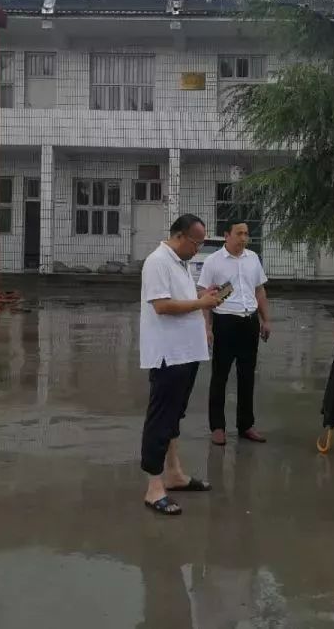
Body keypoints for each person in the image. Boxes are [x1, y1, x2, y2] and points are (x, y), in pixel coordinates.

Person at [140, 214, 223, 516]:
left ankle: (174, 474)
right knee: (160, 419)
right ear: (180, 236)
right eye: (196, 243)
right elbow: (162, 306)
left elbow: (181, 300)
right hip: (168, 354)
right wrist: (202, 304)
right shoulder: (158, 262)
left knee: (175, 417)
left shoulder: (179, 263)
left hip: (186, 352)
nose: (197, 249)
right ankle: (154, 486)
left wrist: (201, 297)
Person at [198, 220, 271, 446]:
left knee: (247, 376)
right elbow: (204, 293)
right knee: (220, 375)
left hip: (248, 321)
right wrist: (207, 327)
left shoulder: (253, 259)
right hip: (224, 321)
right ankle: (218, 427)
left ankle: (246, 425)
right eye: (239, 233)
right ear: (226, 235)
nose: (243, 238)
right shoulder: (213, 261)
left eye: (246, 234)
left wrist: (265, 320)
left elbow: (259, 289)